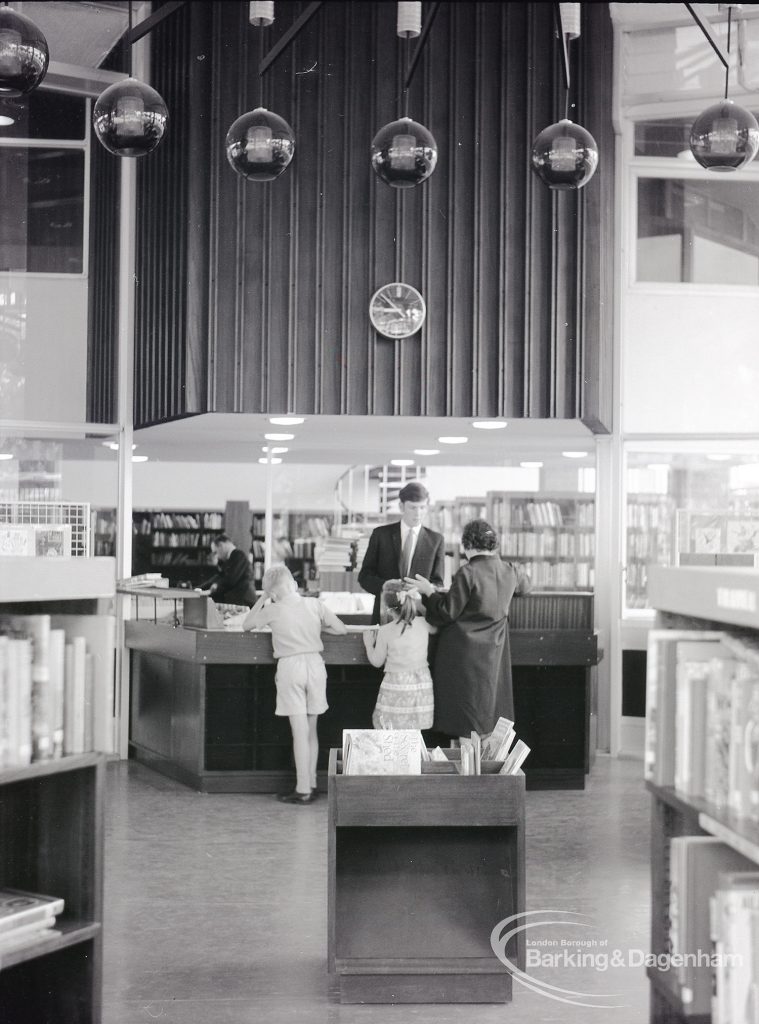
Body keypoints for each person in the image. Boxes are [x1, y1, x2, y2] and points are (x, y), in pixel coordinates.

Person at [408, 519, 530, 739]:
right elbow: (525, 586)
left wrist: (429, 592)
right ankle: (482, 768)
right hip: (493, 652)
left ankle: (467, 768)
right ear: (494, 545)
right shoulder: (510, 570)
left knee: (464, 719)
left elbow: (446, 612)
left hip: (463, 654)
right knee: (486, 714)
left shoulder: (467, 572)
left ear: (467, 546)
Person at [242, 565, 347, 804]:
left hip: (291, 668)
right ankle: (311, 782)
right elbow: (341, 629)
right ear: (295, 585)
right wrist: (317, 630)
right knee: (312, 729)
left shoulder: (274, 609)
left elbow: (246, 624)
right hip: (316, 665)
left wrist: (263, 598)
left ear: (273, 594)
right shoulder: (314, 604)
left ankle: (302, 790)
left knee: (299, 732)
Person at [358, 481, 445, 624]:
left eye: (422, 507)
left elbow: (438, 584)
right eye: (412, 508)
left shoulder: (436, 540)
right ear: (401, 506)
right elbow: (364, 576)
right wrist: (386, 586)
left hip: (419, 618)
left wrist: (423, 588)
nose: (418, 513)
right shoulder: (380, 535)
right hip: (385, 614)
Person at [362, 580, 436, 730]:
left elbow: (377, 661)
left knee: (392, 731)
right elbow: (436, 626)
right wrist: (420, 605)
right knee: (415, 731)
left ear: (387, 606)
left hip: (396, 685)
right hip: (420, 685)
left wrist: (369, 645)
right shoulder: (424, 624)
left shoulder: (385, 631)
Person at [199, 534, 257, 606]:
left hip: (245, 602)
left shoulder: (238, 555)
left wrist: (216, 586)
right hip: (240, 601)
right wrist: (199, 588)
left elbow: (230, 580)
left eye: (215, 552)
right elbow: (218, 578)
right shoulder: (231, 558)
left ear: (221, 545)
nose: (217, 557)